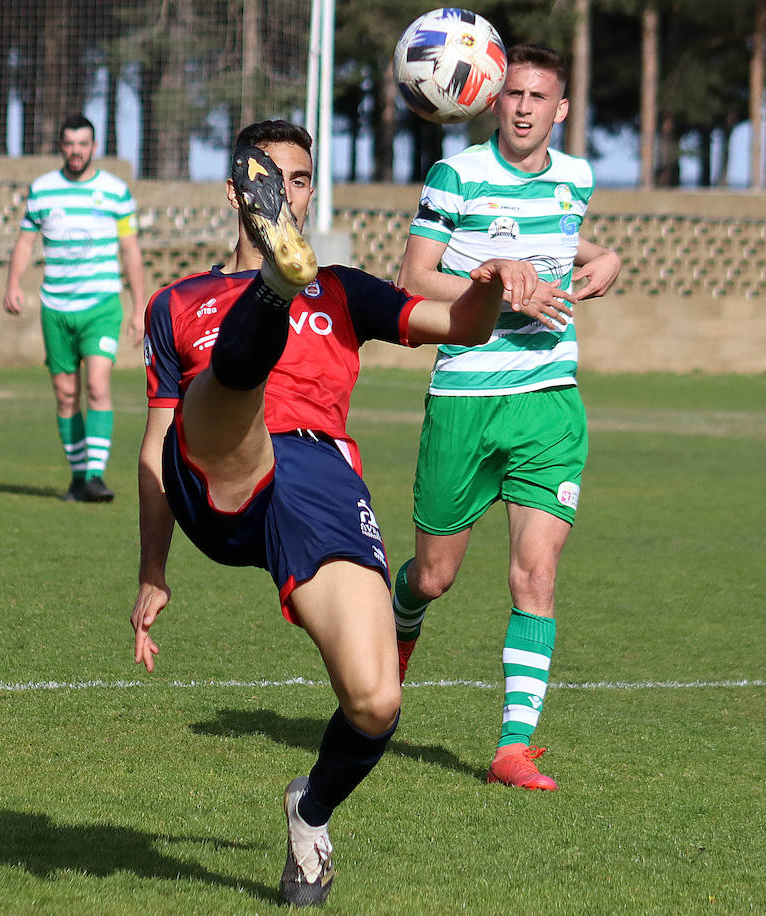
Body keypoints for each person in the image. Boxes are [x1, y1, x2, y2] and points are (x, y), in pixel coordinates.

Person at [129, 120, 536, 907]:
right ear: (238, 192)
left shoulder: (345, 289)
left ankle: (309, 811)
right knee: (230, 394)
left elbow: (459, 326)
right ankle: (270, 298)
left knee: (377, 699)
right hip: (215, 463)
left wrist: (489, 280)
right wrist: (153, 568)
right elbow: (154, 447)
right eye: (269, 178)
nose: (288, 190)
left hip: (320, 480)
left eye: (302, 178)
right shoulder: (177, 302)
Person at [391, 43, 621, 792]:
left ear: (560, 110)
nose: (523, 107)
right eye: (513, 93)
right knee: (433, 577)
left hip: (549, 400)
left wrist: (606, 255)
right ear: (495, 99)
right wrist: (489, 275)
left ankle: (513, 747)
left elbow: (557, 231)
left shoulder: (578, 178)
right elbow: (414, 278)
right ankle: (395, 634)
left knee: (537, 573)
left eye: (538, 97)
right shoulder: (455, 176)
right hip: (465, 399)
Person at [4, 114, 146, 502]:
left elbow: (130, 250)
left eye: (83, 144)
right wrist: (13, 284)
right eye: (69, 143)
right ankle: (79, 477)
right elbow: (24, 242)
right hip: (55, 308)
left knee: (98, 387)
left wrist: (139, 308)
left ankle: (95, 477)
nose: (76, 150)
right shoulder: (43, 190)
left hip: (101, 305)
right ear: (61, 146)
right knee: (66, 395)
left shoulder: (115, 192)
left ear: (94, 147)